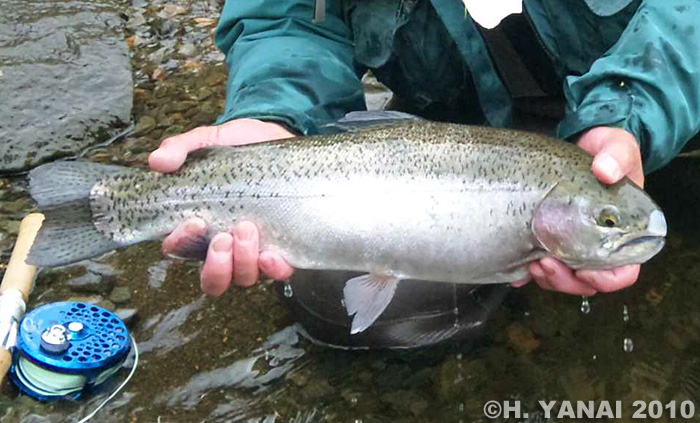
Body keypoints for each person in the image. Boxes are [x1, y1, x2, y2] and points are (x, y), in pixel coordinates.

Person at [147, 0, 700, 347]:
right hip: (451, 141)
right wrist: (269, 113)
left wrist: (638, 108)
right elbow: (287, 18)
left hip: (658, 103)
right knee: (337, 306)